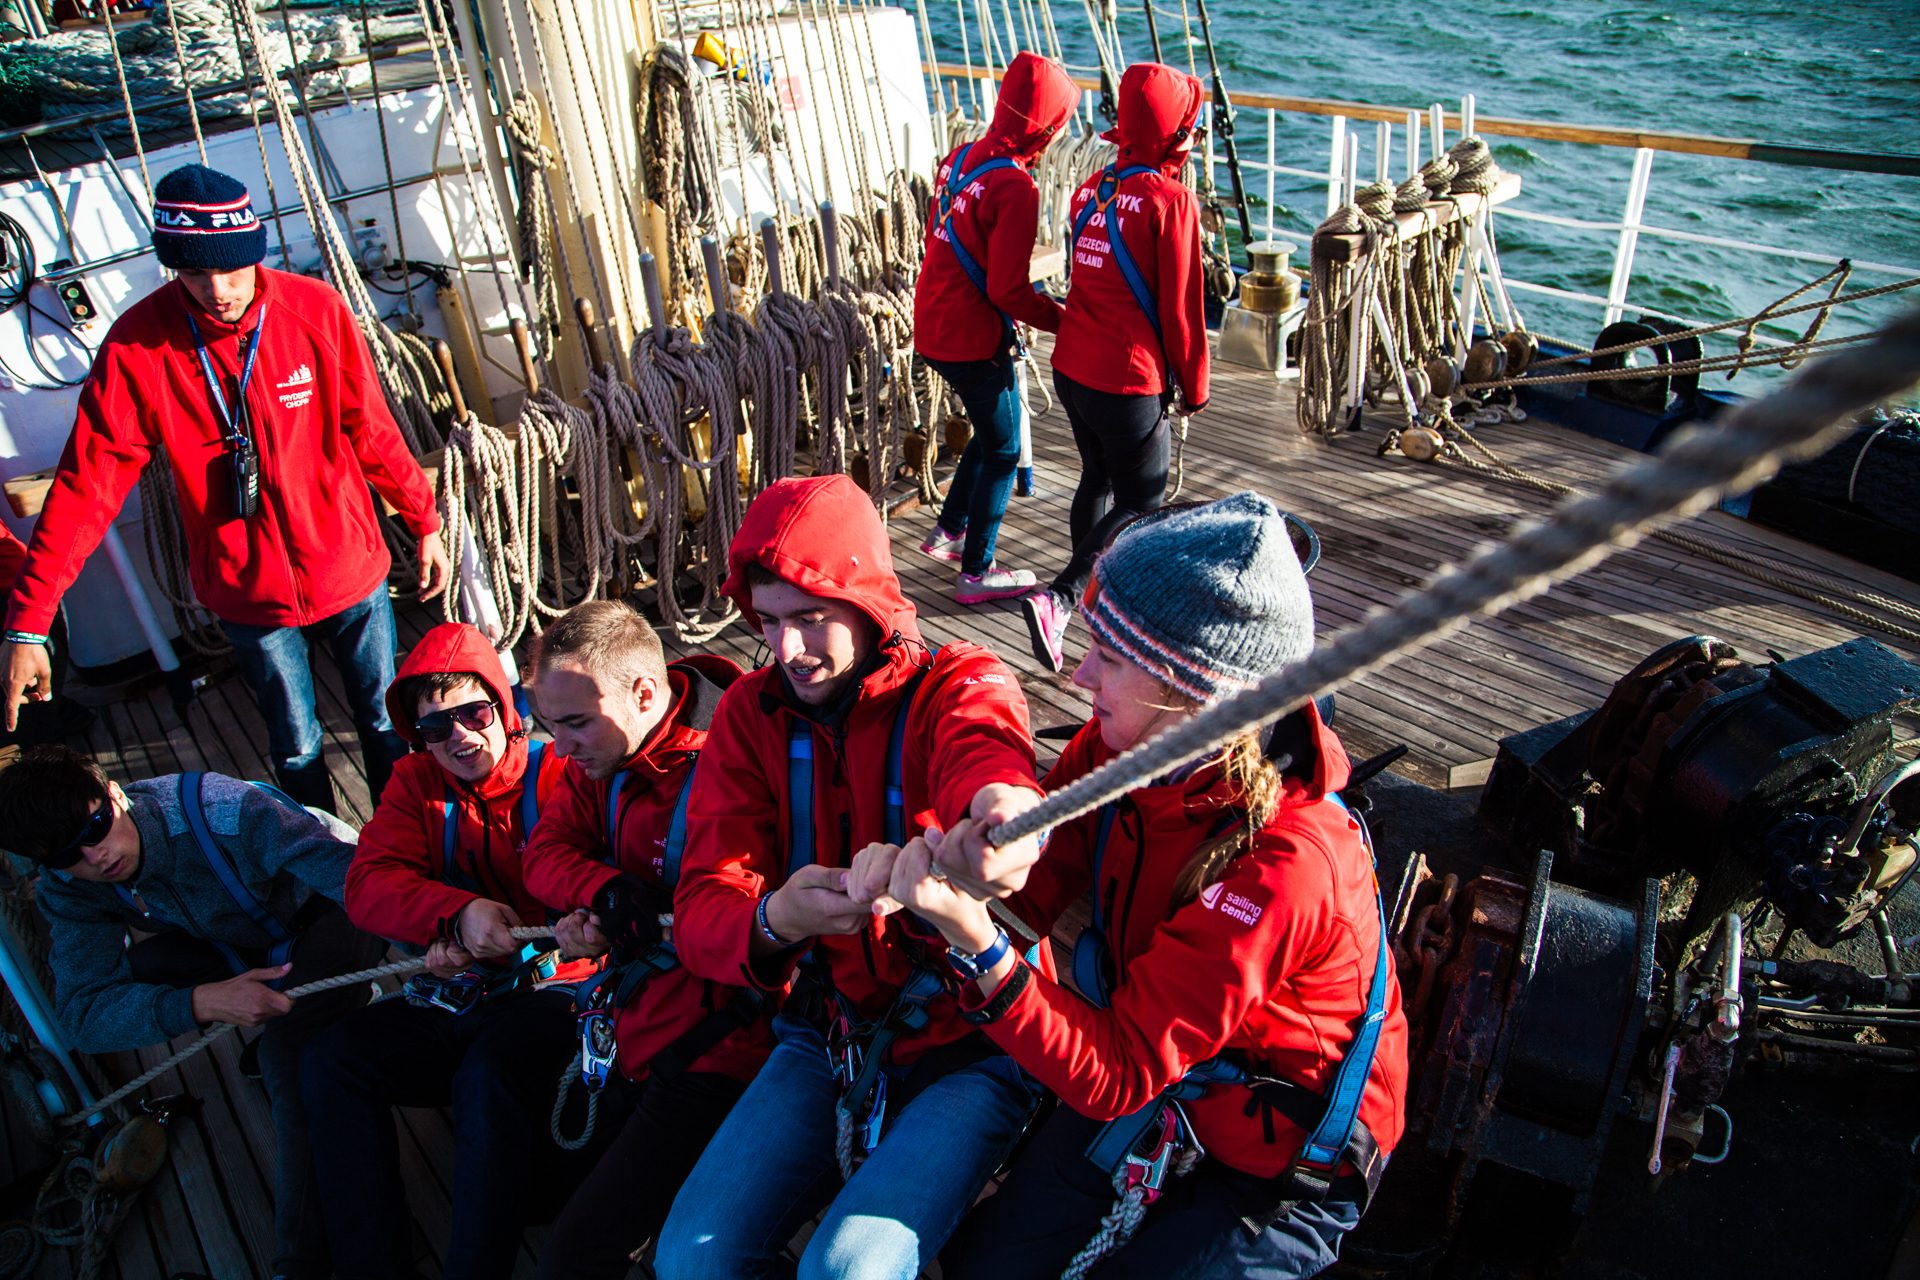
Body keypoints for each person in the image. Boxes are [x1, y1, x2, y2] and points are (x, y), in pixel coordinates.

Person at [859, 492, 1409, 1280]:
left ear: (1196, 690)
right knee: (985, 1265)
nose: (1078, 673)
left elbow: (1117, 1071)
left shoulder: (1288, 864)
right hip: (1170, 1091)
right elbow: (1030, 896)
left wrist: (976, 944)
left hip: (1280, 1172)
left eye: (1109, 659)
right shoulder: (1122, 757)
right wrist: (942, 876)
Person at [651, 474, 1048, 1280]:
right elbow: (701, 904)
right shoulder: (750, 716)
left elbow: (988, 751)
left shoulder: (959, 682)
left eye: (809, 619)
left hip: (970, 1041)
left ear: (867, 605)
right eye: (768, 624)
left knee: (845, 1272)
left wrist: (996, 818)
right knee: (692, 1260)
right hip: (826, 1031)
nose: (787, 651)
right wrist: (773, 922)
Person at [0, 163, 450, 813]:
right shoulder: (137, 348)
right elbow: (84, 489)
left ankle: (405, 845)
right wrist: (27, 626)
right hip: (246, 590)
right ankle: (321, 861)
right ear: (171, 268)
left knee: (384, 722)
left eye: (232, 270)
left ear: (255, 252)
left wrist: (424, 520)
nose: (217, 290)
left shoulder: (313, 311)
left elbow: (371, 427)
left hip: (349, 568)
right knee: (294, 743)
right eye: (194, 274)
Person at [0, 745, 386, 1280]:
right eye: (67, 855)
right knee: (144, 970)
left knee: (286, 1055)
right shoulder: (72, 889)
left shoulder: (221, 810)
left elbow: (360, 881)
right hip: (239, 940)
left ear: (115, 793)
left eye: (95, 829)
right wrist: (202, 1001)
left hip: (330, 910)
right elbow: (83, 1016)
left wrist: (444, 932)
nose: (95, 857)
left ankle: (301, 1266)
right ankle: (321, 1012)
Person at [300, 622, 588, 1280]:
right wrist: (454, 914)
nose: (456, 736)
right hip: (467, 993)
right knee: (330, 1061)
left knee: (485, 1076)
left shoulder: (560, 775)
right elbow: (366, 887)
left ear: (505, 711)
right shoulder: (415, 786)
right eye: (435, 728)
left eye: (473, 713)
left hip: (561, 996)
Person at [513, 601, 768, 1280]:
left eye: (573, 725)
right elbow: (542, 853)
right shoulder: (604, 757)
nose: (559, 750)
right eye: (549, 728)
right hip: (636, 1026)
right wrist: (603, 889)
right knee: (532, 1189)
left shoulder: (731, 767)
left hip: (716, 1052)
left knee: (574, 1260)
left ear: (646, 694)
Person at [1021, 63, 1212, 674]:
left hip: (1073, 368)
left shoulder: (1093, 189)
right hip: (1125, 379)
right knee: (1143, 501)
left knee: (1096, 483)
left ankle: (1081, 604)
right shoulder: (1170, 201)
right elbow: (1184, 312)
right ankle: (1063, 597)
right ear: (1175, 131)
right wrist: (1196, 388)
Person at [913, 51, 1079, 606]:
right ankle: (975, 572)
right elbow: (1008, 290)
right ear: (1051, 127)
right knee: (1004, 449)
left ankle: (949, 531)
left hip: (933, 319)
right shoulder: (1016, 188)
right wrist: (1067, 321)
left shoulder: (959, 157)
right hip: (971, 339)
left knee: (991, 433)